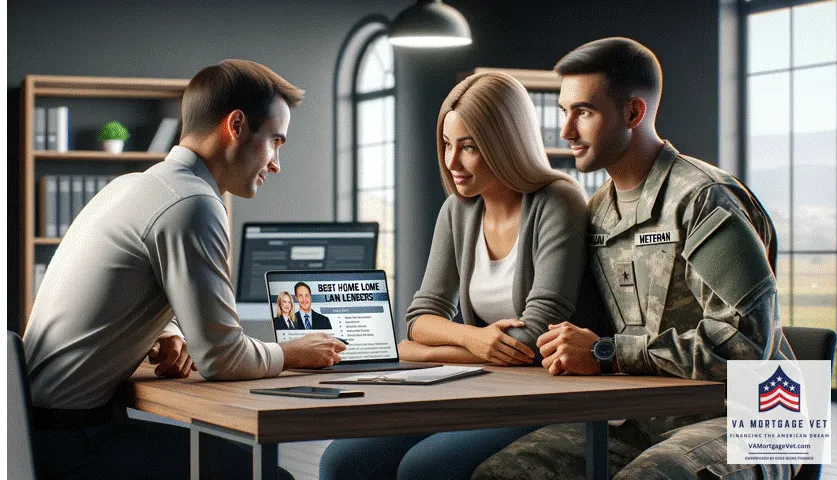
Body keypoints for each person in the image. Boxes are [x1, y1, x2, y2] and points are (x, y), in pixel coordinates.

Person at [472, 37, 799, 480]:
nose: (566, 131)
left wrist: (607, 351)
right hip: (645, 416)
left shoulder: (704, 200)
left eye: (583, 112)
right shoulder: (598, 211)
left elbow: (746, 347)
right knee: (504, 473)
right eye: (564, 111)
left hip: (758, 415)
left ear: (632, 113)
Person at [22, 59, 346, 479]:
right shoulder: (192, 203)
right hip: (72, 446)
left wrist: (168, 332)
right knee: (265, 474)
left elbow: (130, 287)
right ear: (236, 125)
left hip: (38, 432)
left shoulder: (134, 186)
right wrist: (293, 353)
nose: (276, 164)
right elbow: (222, 359)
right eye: (275, 142)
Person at [320, 72, 603, 480]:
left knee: (426, 468)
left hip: (546, 392)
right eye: (448, 145)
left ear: (505, 144)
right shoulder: (459, 211)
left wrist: (426, 352)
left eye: (468, 147)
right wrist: (473, 338)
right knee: (342, 462)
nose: (452, 162)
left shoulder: (558, 200)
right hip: (481, 386)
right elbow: (420, 318)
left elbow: (534, 339)